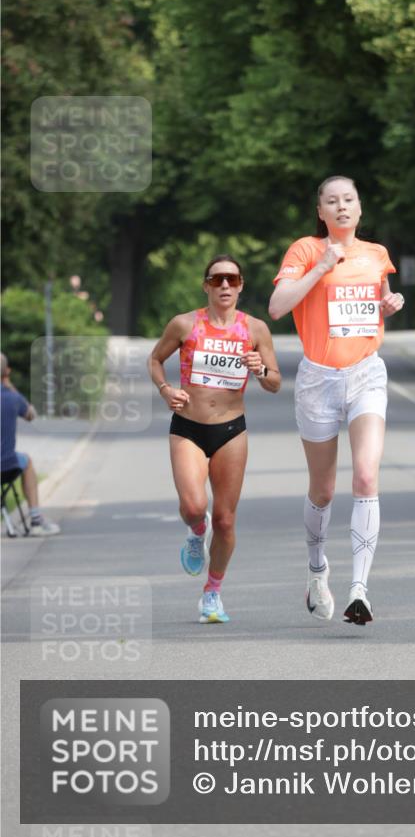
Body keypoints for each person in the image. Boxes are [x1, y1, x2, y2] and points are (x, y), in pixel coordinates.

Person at [269, 175, 404, 625]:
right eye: (332, 201)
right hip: (318, 379)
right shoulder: (306, 250)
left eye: (349, 199)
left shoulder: (377, 254)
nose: (342, 206)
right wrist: (323, 265)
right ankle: (316, 569)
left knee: (366, 475)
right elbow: (277, 306)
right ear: (320, 212)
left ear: (360, 208)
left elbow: (377, 301)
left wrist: (389, 304)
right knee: (323, 489)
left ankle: (359, 590)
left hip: (366, 373)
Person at [148, 254, 281, 623]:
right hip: (188, 427)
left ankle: (212, 593)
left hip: (231, 430)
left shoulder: (255, 329)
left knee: (225, 519)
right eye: (217, 279)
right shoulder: (185, 324)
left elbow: (274, 383)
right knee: (194, 507)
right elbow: (155, 360)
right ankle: (196, 530)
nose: (225, 285)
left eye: (232, 280)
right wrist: (165, 390)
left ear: (240, 286)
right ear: (206, 285)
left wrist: (261, 369)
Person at [0, 352, 60, 535]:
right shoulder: (12, 398)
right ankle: (36, 520)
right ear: (7, 372)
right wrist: (9, 385)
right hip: (6, 465)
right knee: (27, 461)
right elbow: (31, 414)